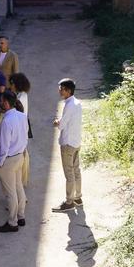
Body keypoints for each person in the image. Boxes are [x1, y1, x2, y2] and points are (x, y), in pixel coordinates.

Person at [0, 91, 29, 233]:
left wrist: (0, 162)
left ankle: (13, 222)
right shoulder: (22, 116)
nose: (0, 103)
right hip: (20, 156)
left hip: (8, 160)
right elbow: (25, 136)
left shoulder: (6, 121)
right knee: (18, 186)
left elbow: (4, 146)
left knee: (11, 192)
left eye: (2, 101)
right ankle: (21, 216)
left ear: (6, 103)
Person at [52, 78, 83, 212]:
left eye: (61, 89)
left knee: (69, 173)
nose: (59, 91)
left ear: (68, 91)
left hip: (68, 143)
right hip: (76, 142)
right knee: (76, 170)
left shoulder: (69, 105)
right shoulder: (77, 103)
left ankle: (69, 202)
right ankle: (78, 197)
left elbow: (62, 125)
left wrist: (57, 122)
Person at [9, 72, 34, 186]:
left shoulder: (20, 97)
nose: (11, 86)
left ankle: (22, 180)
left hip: (21, 127)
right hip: (23, 125)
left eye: (12, 84)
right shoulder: (22, 95)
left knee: (22, 153)